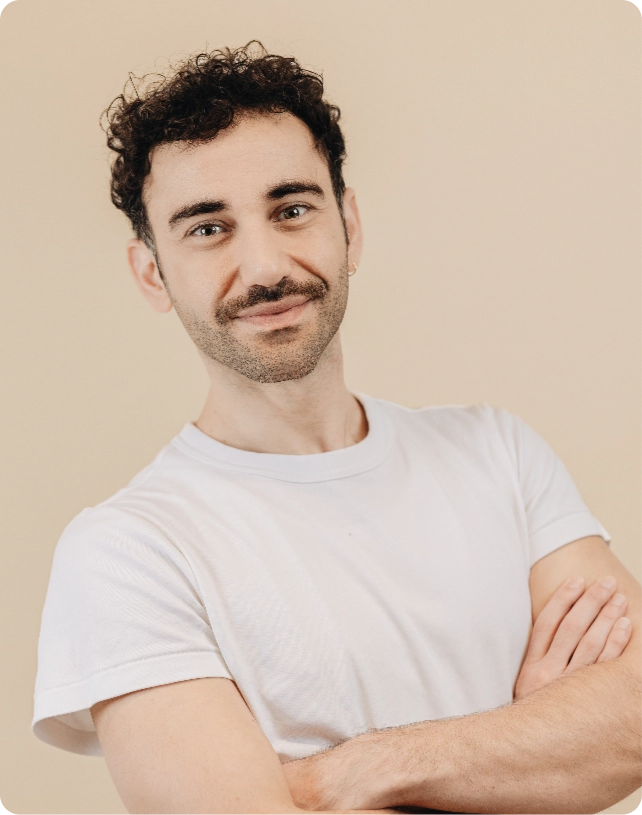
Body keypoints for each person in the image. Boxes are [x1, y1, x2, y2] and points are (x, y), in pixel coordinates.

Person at [33, 43, 642, 815]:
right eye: (207, 228)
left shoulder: (497, 452)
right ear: (151, 272)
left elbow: (634, 724)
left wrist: (344, 774)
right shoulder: (126, 553)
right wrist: (526, 742)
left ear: (348, 224)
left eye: (292, 209)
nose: (263, 267)